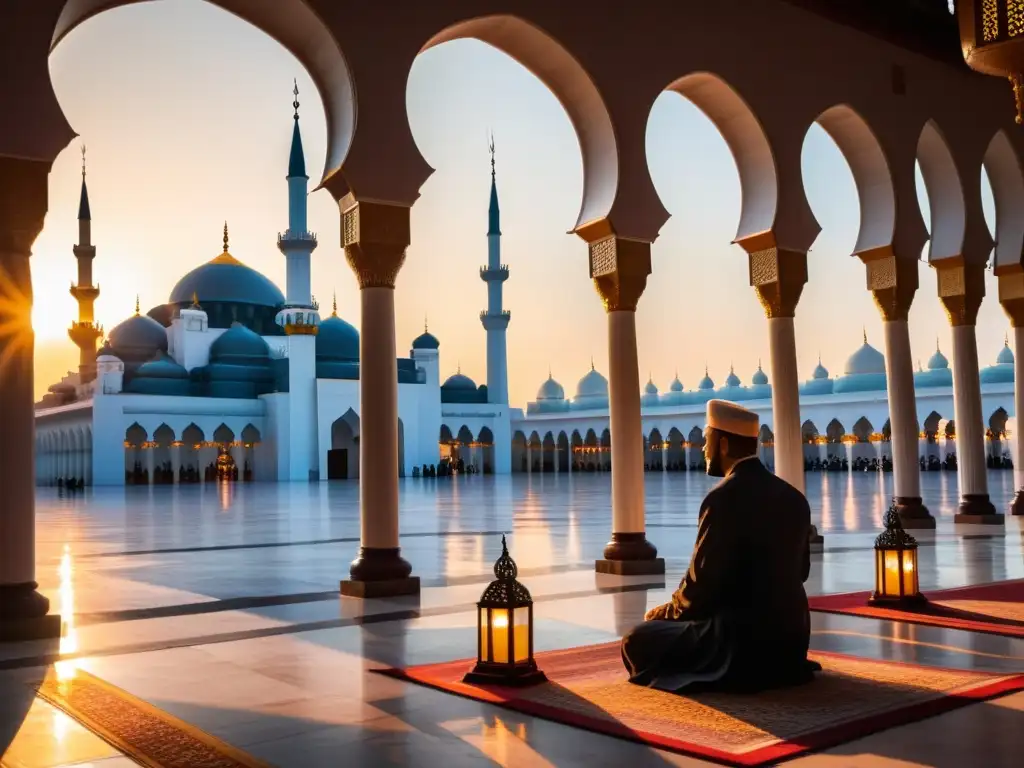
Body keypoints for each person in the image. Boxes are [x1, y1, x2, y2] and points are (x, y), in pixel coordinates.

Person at [621, 399, 819, 693]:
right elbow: (800, 572)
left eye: (706, 440)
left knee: (636, 639)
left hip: (742, 644)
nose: (702, 449)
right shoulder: (794, 497)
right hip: (792, 639)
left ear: (723, 445)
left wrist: (665, 612)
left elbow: (701, 586)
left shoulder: (723, 498)